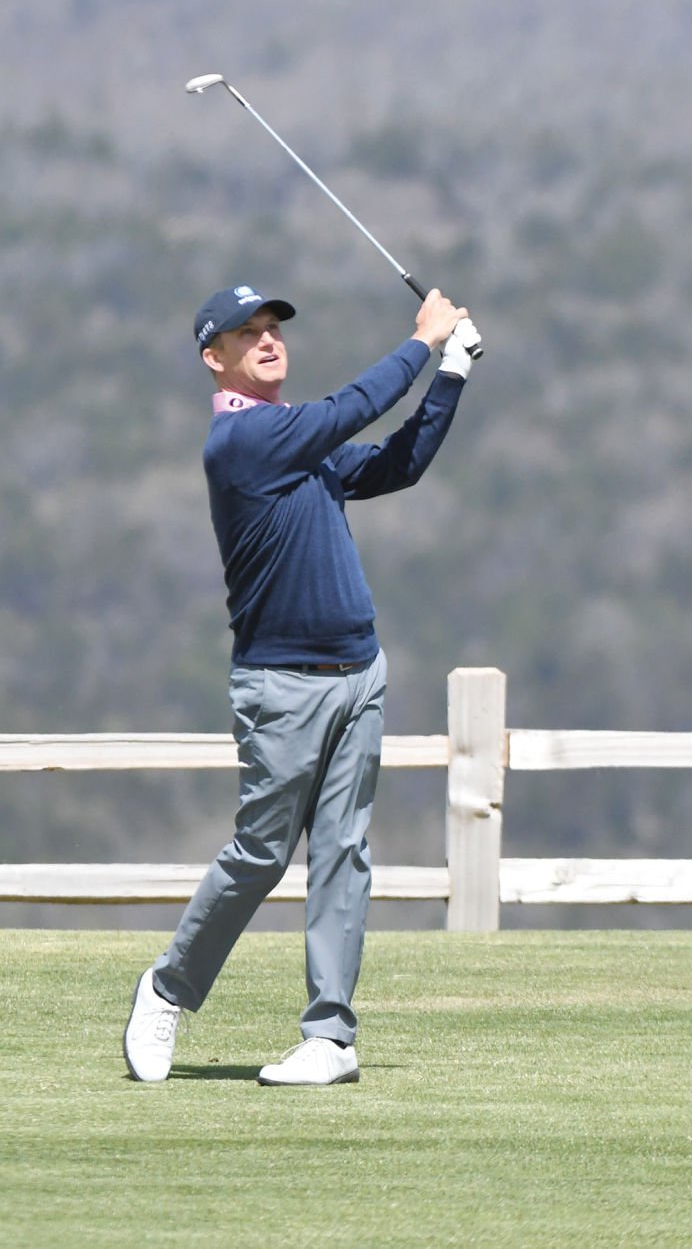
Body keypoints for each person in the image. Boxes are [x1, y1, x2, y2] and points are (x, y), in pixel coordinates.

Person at [123, 282, 481, 1086]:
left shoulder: (295, 443)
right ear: (215, 361)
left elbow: (398, 465)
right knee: (260, 854)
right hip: (279, 685)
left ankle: (330, 1036)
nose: (268, 340)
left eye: (273, 327)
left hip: (360, 671)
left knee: (344, 854)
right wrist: (423, 342)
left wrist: (450, 375)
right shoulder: (242, 444)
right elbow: (352, 409)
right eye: (247, 334)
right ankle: (167, 989)